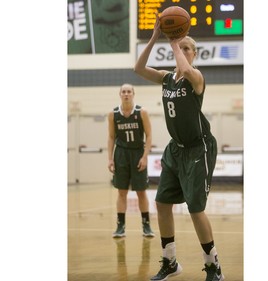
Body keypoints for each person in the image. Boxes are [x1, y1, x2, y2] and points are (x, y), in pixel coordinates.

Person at [134, 16, 224, 281]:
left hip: (199, 148)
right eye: (180, 46)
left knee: (196, 209)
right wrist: (154, 38)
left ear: (195, 54)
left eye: (187, 48)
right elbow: (138, 68)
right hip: (176, 150)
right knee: (162, 203)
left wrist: (174, 42)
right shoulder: (165, 79)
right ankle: (170, 261)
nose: (182, 50)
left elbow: (185, 70)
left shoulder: (195, 78)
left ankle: (213, 265)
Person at [108, 83, 155, 238]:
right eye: (123, 92)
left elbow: (149, 136)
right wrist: (110, 159)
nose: (126, 94)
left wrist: (145, 156)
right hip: (121, 154)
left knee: (141, 191)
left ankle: (146, 226)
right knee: (121, 192)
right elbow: (111, 137)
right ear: (119, 94)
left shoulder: (142, 112)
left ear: (133, 94)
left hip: (137, 153)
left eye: (129, 91)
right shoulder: (113, 114)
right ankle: (120, 227)